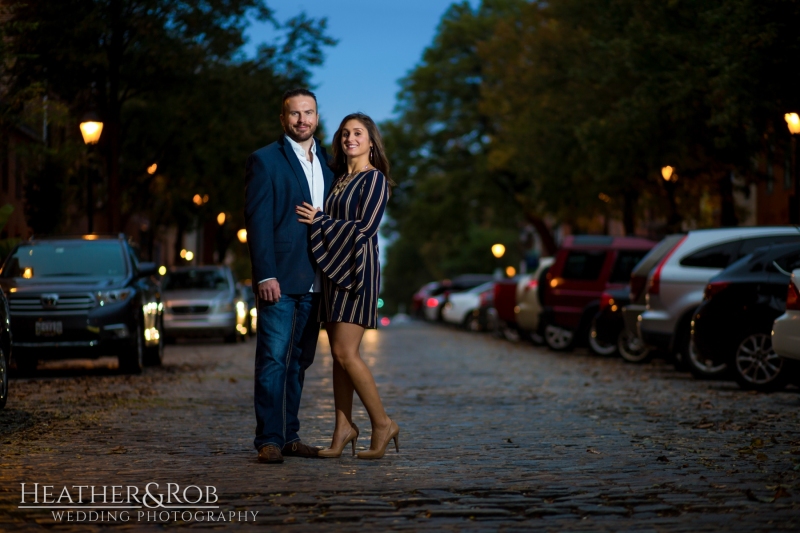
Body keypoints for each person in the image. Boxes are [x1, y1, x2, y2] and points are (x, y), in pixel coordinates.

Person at [295, 112, 399, 460]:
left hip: (357, 272)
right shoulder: (338, 179)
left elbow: (365, 229)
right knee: (338, 359)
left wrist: (320, 220)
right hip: (332, 271)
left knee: (345, 353)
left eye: (357, 133)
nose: (349, 138)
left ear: (371, 142)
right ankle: (343, 429)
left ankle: (382, 423)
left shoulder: (375, 180)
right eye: (344, 134)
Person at [244, 89, 334, 464]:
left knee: (300, 362)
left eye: (308, 113)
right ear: (283, 119)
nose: (302, 120)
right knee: (273, 360)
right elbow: (258, 220)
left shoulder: (327, 164)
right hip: (280, 280)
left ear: (316, 117)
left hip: (317, 281)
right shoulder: (265, 160)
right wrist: (265, 274)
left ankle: (290, 436)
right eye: (294, 114)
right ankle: (268, 439)